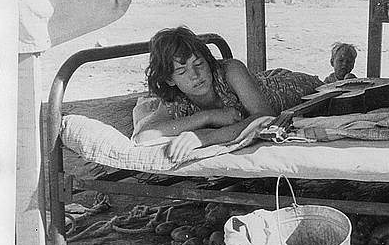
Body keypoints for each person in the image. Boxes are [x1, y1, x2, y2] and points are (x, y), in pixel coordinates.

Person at [133, 27, 322, 162]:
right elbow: (144, 136)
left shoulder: (230, 70)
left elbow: (266, 117)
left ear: (208, 62)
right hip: (259, 81)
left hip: (292, 87)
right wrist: (208, 116)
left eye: (199, 65)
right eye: (182, 71)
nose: (195, 76)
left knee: (329, 88)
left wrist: (203, 138)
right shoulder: (177, 98)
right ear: (170, 80)